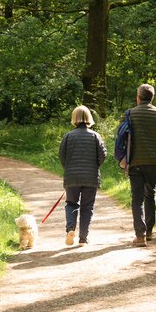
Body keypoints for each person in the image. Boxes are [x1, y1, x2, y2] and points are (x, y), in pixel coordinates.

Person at [125, 84, 156, 247]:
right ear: (152, 97)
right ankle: (150, 231)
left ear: (138, 97)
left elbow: (123, 138)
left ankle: (140, 236)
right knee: (150, 194)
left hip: (135, 162)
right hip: (154, 161)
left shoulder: (130, 114)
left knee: (137, 198)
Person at [58, 105, 107, 247]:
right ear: (89, 119)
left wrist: (68, 168)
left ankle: (70, 229)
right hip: (91, 178)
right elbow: (102, 155)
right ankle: (83, 239)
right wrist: (95, 166)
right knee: (87, 207)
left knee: (71, 203)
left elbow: (62, 156)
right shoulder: (95, 136)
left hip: (72, 177)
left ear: (74, 118)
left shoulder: (68, 136)